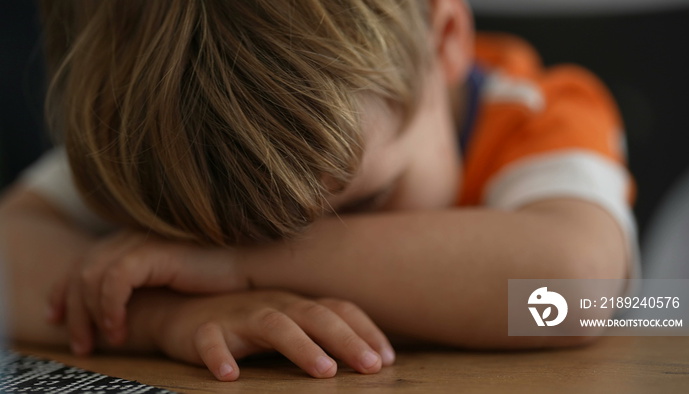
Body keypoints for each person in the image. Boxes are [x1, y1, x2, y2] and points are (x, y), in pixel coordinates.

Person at [0, 0, 637, 382]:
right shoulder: (169, 137)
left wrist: (233, 263)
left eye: (360, 205)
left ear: (444, 42)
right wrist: (164, 318)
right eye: (193, 233)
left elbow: (571, 286)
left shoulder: (532, 115)